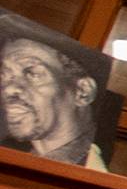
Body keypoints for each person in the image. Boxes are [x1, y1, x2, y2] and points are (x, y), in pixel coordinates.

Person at [0, 18, 108, 170]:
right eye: (3, 75)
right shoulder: (20, 161)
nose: (8, 89)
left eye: (32, 73)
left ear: (82, 92)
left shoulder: (90, 177)